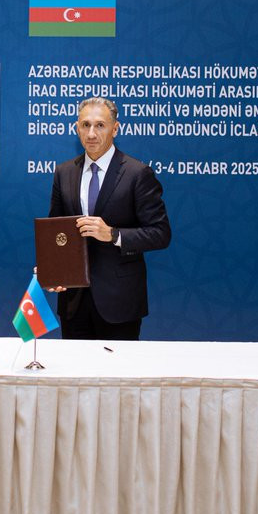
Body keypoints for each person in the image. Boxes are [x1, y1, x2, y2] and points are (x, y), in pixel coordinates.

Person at [47, 97, 171, 340]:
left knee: (119, 366)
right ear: (76, 128)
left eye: (100, 125)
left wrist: (113, 235)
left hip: (119, 301)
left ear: (115, 129)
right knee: (73, 366)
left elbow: (160, 233)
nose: (91, 133)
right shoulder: (64, 172)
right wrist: (54, 270)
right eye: (85, 125)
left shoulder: (137, 173)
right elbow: (56, 231)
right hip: (73, 302)